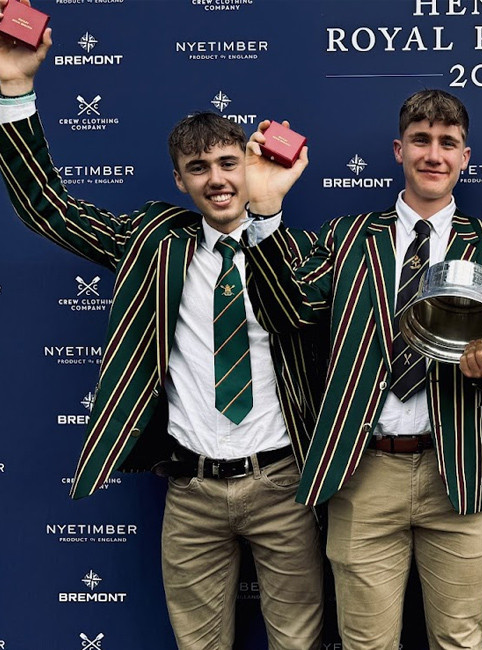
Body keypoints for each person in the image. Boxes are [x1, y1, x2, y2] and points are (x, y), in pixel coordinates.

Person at [0, 6, 326, 648]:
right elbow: (48, 210)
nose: (217, 179)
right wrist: (14, 89)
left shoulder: (302, 252)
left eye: (229, 162)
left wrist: (268, 210)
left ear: (249, 165)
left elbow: (298, 311)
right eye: (199, 169)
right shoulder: (155, 240)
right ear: (180, 181)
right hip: (192, 490)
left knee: (298, 641)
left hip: (283, 482)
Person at [243, 88, 482, 650]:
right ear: (399, 150)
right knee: (365, 642)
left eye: (449, 143)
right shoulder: (346, 238)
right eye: (421, 140)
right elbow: (286, 309)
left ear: (465, 158)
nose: (434, 154)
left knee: (461, 640)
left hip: (458, 474)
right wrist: (265, 211)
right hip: (363, 472)